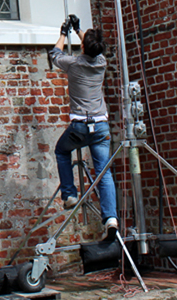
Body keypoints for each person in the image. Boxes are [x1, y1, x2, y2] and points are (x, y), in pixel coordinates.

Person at [50, 16, 118, 238]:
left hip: (80, 126)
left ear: (82, 47)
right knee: (103, 172)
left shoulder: (73, 63)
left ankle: (70, 194)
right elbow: (93, 49)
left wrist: (63, 33)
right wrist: (80, 30)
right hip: (100, 127)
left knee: (62, 151)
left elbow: (55, 55)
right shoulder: (101, 63)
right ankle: (110, 218)